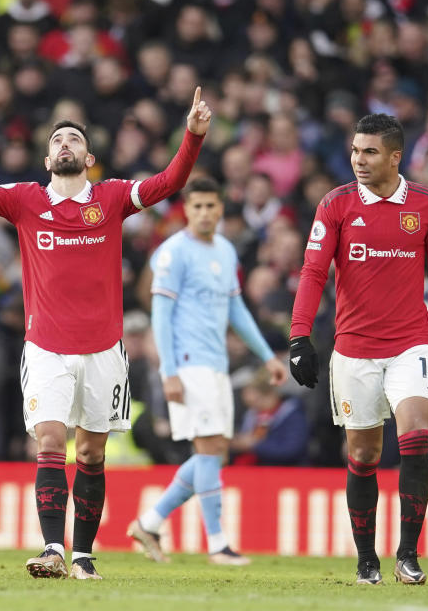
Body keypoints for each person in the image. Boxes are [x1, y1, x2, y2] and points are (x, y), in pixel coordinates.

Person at [0, 83, 211, 580]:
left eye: (73, 139)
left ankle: (83, 555)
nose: (64, 145)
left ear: (89, 156)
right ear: (47, 156)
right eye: (57, 140)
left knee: (93, 452)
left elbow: (169, 181)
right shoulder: (25, 200)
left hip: (103, 349)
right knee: (51, 441)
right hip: (46, 348)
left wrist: (193, 136)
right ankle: (53, 548)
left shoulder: (114, 197)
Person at [288, 114, 428, 585]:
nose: (358, 160)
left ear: (395, 157)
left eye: (369, 152)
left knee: (415, 438)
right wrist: (299, 337)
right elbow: (312, 274)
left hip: (411, 342)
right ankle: (366, 559)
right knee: (365, 454)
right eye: (355, 150)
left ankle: (407, 555)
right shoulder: (336, 204)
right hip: (353, 350)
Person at [126, 178, 287, 565]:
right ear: (187, 209)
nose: (204, 213)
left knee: (212, 452)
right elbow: (160, 315)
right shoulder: (172, 253)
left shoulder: (226, 251)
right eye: (196, 207)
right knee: (210, 449)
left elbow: (237, 311)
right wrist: (168, 371)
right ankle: (217, 544)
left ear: (220, 209)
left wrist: (267, 355)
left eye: (210, 206)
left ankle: (149, 522)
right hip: (187, 362)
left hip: (215, 365)